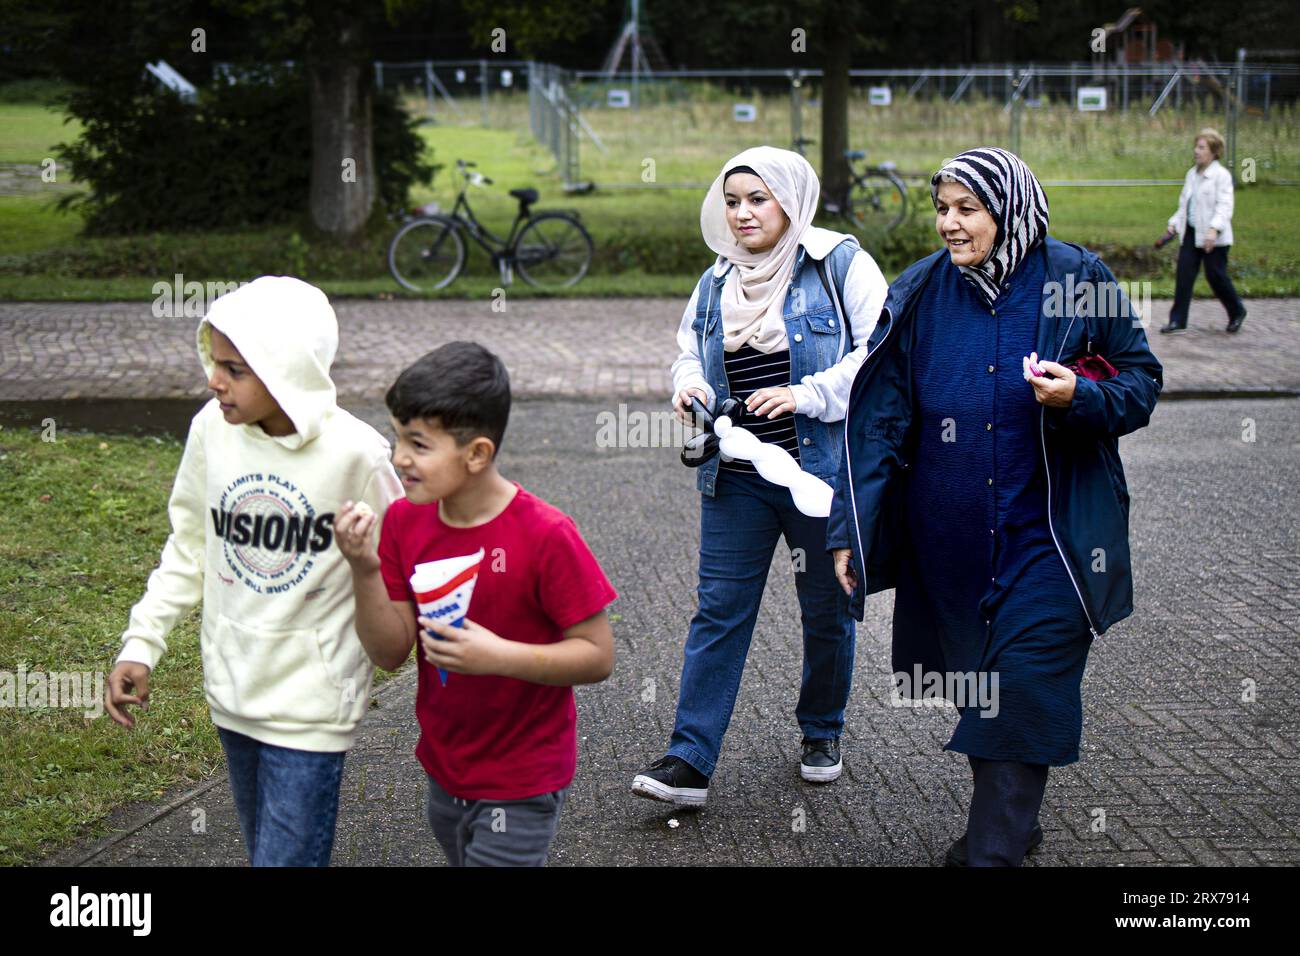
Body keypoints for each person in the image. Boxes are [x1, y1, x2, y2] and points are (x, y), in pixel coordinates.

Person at [829, 147, 1162, 866]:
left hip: (1053, 540)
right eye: (942, 209)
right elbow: (880, 421)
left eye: (967, 209)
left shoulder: (1079, 279)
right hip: (947, 550)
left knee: (1022, 687)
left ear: (1009, 210)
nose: (949, 224)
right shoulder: (918, 291)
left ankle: (992, 852)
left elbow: (1141, 382)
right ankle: (1014, 820)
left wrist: (1083, 396)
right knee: (981, 688)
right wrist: (848, 526)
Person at [104, 276, 404, 866]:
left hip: (314, 704)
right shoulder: (211, 430)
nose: (214, 380)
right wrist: (141, 644)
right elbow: (189, 545)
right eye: (215, 362)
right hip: (232, 689)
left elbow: (407, 559)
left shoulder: (358, 455)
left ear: (288, 371)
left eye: (236, 369)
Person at [631, 145, 889, 806]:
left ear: (790, 200)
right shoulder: (718, 278)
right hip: (737, 473)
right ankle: (689, 759)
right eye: (733, 200)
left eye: (758, 198)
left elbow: (883, 356)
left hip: (819, 475)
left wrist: (807, 395)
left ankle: (822, 728)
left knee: (827, 608)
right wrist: (689, 386)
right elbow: (689, 348)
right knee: (718, 609)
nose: (742, 213)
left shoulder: (841, 264)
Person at [336, 341, 617, 867]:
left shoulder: (546, 535)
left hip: (523, 778)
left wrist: (499, 656)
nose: (399, 457)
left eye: (418, 444)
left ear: (477, 453)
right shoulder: (403, 522)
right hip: (446, 769)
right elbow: (390, 652)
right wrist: (363, 567)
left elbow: (597, 655)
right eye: (398, 436)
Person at [1160, 127, 1246, 334]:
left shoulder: (1221, 176)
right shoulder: (1192, 174)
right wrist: (1174, 223)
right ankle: (1178, 321)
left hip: (1213, 237)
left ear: (1214, 152)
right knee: (1184, 275)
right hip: (1191, 234)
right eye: (1196, 147)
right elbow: (1185, 206)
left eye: (1201, 147)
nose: (1196, 151)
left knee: (1216, 276)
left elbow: (1225, 206)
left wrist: (1214, 229)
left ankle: (1237, 311)